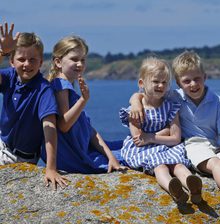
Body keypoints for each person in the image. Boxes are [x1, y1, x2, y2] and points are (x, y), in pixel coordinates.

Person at [130, 51, 220, 216]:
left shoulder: (218, 102)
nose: (193, 84)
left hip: (215, 146)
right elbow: (145, 93)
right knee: (218, 164)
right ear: (179, 83)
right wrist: (135, 102)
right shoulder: (175, 97)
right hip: (193, 145)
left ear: (205, 77)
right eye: (186, 81)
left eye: (197, 78)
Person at [120, 57, 203, 204]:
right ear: (142, 83)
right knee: (160, 166)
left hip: (167, 147)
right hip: (145, 151)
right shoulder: (135, 110)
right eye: (155, 81)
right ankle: (173, 188)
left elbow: (176, 138)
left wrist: (152, 137)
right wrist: (163, 132)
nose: (160, 85)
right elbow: (138, 140)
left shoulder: (170, 107)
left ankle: (191, 184)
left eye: (164, 82)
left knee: (178, 165)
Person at [41, 35, 127, 174]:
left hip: (82, 149)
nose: (80, 64)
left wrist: (110, 156)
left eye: (82, 60)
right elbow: (64, 125)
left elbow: (89, 130)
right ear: (58, 62)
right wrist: (83, 100)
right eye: (74, 59)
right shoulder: (61, 85)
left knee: (128, 146)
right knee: (134, 151)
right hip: (75, 155)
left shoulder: (66, 84)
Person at [0, 22, 68, 190]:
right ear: (11, 61)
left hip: (23, 157)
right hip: (3, 146)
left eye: (32, 60)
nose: (27, 64)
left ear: (40, 62)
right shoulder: (10, 77)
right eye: (21, 59)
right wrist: (2, 51)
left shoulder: (43, 89)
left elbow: (49, 126)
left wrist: (51, 167)